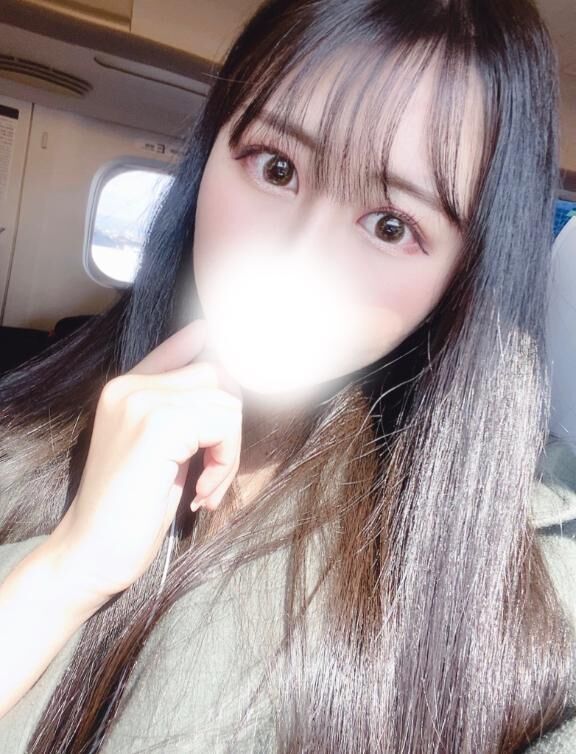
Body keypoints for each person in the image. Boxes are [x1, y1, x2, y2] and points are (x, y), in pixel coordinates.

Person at [0, 0, 575, 751]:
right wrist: (65, 571)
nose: (294, 260)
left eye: (392, 225)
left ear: (462, 279)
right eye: (277, 167)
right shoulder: (24, 424)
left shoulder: (532, 616)